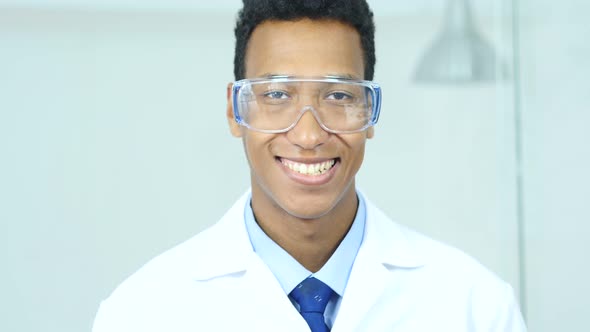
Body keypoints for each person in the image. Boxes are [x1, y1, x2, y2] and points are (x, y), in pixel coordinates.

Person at [92, 0, 527, 331]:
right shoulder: (142, 313)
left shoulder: (475, 306)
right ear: (234, 110)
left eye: (338, 96)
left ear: (369, 112)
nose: (308, 135)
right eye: (277, 94)